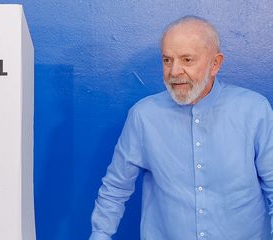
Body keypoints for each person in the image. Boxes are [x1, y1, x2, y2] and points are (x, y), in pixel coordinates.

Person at [89, 15, 273, 240]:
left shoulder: (255, 110)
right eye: (167, 60)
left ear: (215, 63)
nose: (174, 71)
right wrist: (100, 235)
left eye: (187, 60)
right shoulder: (143, 116)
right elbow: (116, 189)